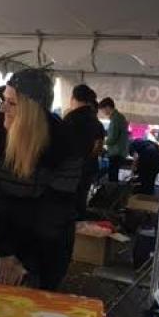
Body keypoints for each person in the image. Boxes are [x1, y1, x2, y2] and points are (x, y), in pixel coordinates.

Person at [0, 69, 80, 290]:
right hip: (13, 232)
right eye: (2, 100)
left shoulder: (65, 143)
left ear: (32, 109)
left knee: (39, 298)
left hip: (49, 243)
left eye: (11, 103)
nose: (1, 108)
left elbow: (55, 212)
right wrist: (4, 252)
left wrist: (25, 262)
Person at [63, 84, 105, 220]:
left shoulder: (70, 118)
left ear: (73, 98)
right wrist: (87, 157)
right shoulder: (96, 121)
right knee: (81, 201)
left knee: (68, 204)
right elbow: (98, 147)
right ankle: (82, 232)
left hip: (70, 169)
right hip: (89, 167)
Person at [98, 97, 129, 182]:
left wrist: (101, 142)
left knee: (112, 178)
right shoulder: (120, 117)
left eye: (103, 110)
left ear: (107, 107)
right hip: (120, 151)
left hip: (116, 153)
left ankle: (112, 194)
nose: (103, 113)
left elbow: (112, 139)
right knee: (113, 175)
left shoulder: (115, 119)